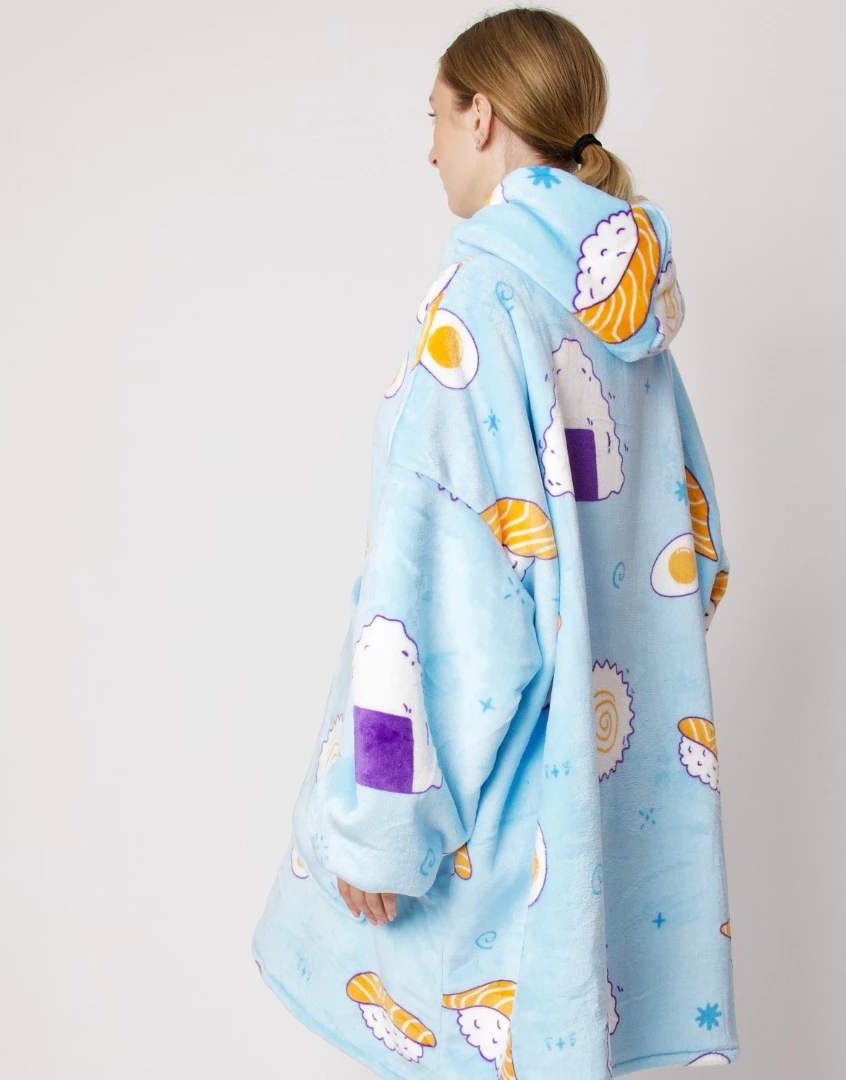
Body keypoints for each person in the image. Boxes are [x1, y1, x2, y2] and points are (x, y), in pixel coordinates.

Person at [252, 7, 739, 1076]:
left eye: (434, 116)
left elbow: (430, 594)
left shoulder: (479, 307)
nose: (429, 149)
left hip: (502, 849)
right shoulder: (626, 325)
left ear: (482, 117)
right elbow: (694, 556)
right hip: (609, 823)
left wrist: (382, 825)